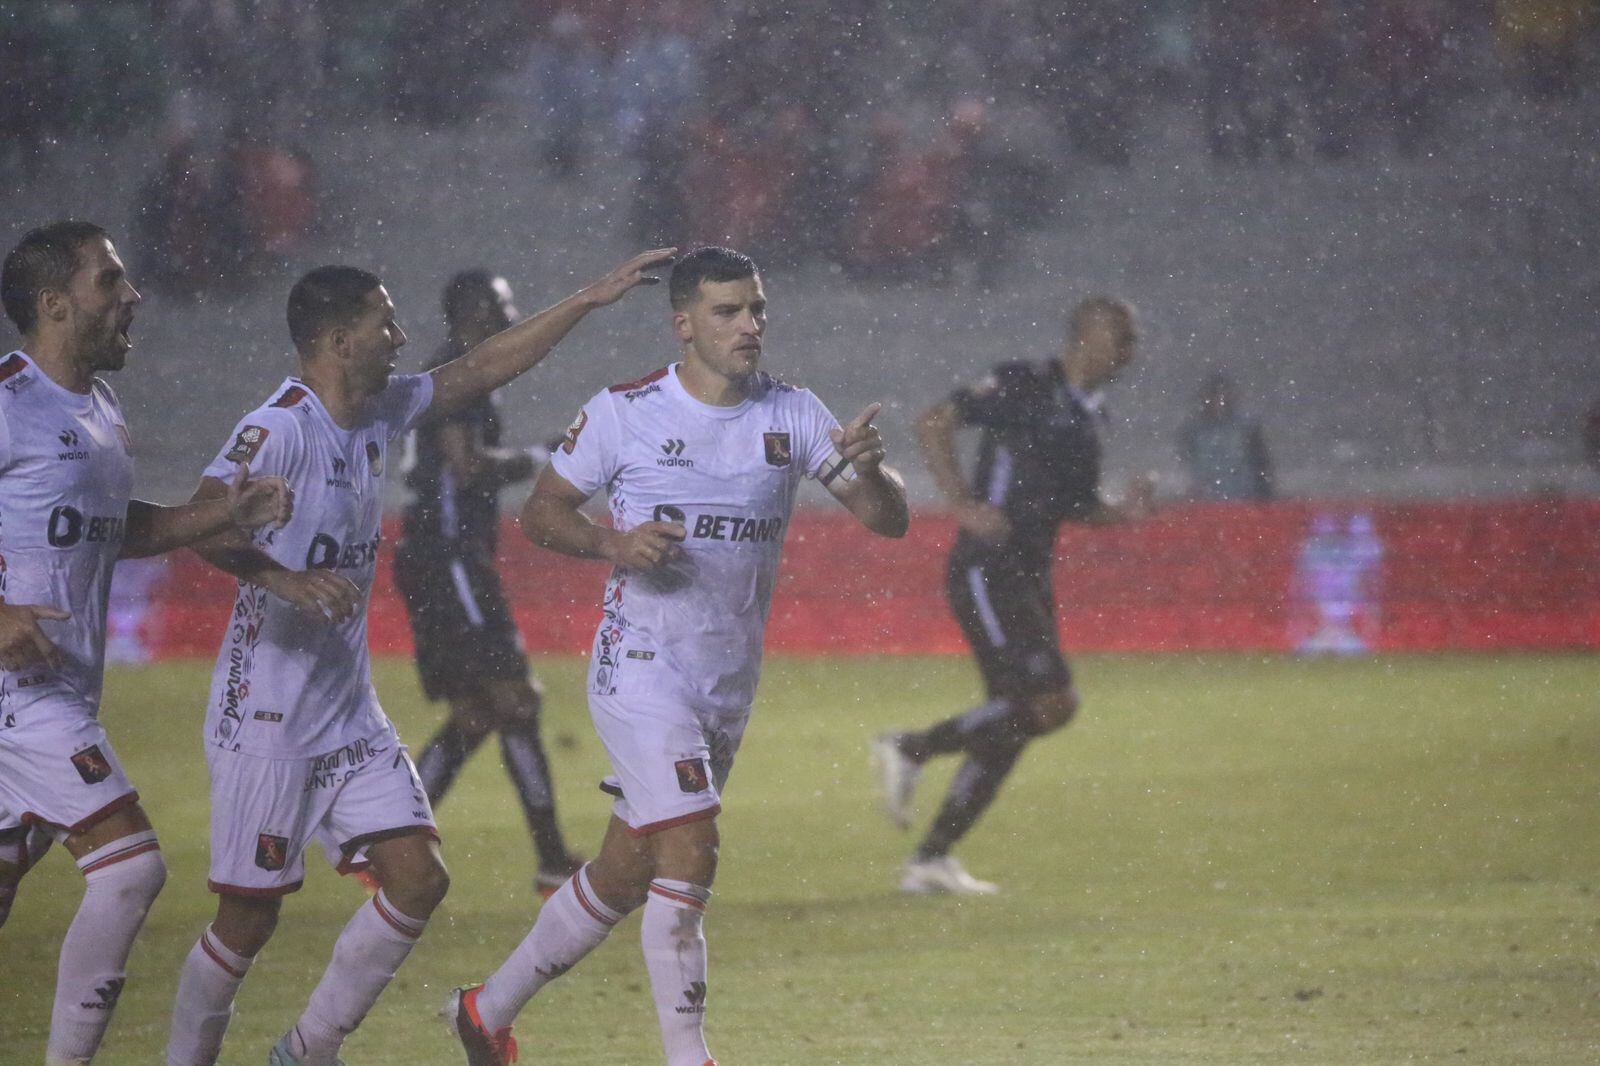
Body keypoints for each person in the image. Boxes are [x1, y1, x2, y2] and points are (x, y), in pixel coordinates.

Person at [162, 247, 675, 1066]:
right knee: (247, 920)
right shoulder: (281, 426)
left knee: (420, 879)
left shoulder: (377, 408)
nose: (400, 336)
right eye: (383, 323)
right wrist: (283, 581)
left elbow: (480, 369)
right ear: (336, 340)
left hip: (347, 704)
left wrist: (589, 298)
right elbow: (198, 520)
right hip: (266, 708)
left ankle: (307, 1048)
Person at [447, 246, 909, 1066]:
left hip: (724, 685)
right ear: (684, 322)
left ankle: (485, 1012)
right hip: (640, 668)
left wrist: (878, 476)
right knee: (693, 844)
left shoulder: (794, 414)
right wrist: (613, 544)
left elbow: (886, 519)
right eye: (728, 312)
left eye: (757, 308)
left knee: (626, 874)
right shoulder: (627, 412)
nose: (749, 326)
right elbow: (542, 514)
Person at [0, 220, 292, 1066]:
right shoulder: (10, 400)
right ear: (56, 304)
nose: (133, 295)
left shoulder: (97, 407)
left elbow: (110, 529)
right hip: (20, 694)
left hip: (58, 684)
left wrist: (224, 514)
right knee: (129, 869)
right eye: (110, 281)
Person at [871, 296, 1151, 895]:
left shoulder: (1087, 417)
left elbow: (1076, 504)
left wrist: (1121, 514)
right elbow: (933, 421)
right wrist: (960, 504)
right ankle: (911, 747)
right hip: (987, 568)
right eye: (1124, 340)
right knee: (1053, 701)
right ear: (1090, 337)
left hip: (1027, 574)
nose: (1132, 354)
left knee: (1016, 720)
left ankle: (930, 860)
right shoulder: (1022, 383)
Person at [394, 269, 581, 897]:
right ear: (476, 310)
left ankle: (385, 843)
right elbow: (467, 467)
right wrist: (544, 457)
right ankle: (553, 860)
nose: (513, 311)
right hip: (447, 556)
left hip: (438, 555)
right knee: (516, 700)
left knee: (477, 712)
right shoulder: (459, 373)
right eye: (504, 303)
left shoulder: (460, 373)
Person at [1177, 371, 1274, 501]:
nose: (1220, 401)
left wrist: (1263, 497)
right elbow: (1186, 468)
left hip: (1244, 504)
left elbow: (1262, 466)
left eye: (1224, 395)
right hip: (1205, 506)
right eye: (1215, 395)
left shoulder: (1247, 428)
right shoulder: (1194, 431)